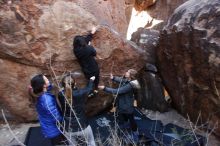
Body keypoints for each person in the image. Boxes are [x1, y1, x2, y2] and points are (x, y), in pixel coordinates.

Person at [98, 69, 140, 143]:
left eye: (128, 72)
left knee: (131, 119)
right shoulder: (127, 80)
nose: (126, 72)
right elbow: (122, 80)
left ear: (131, 75)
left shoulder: (130, 85)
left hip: (127, 105)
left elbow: (117, 91)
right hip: (123, 103)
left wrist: (104, 88)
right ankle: (126, 125)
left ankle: (135, 135)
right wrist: (113, 78)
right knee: (124, 115)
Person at [58, 73, 96, 146]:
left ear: (63, 85)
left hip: (68, 127)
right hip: (82, 125)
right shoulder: (80, 93)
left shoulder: (60, 95)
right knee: (91, 142)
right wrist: (91, 80)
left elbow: (67, 92)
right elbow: (89, 89)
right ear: (75, 83)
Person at [30, 74, 67, 145]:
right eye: (46, 80)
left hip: (48, 124)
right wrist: (64, 120)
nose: (48, 80)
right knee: (58, 143)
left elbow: (48, 88)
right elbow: (55, 116)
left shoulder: (39, 93)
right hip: (54, 129)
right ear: (43, 85)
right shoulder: (46, 100)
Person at [73, 27, 100, 96]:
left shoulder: (75, 50)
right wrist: (89, 46)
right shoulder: (88, 48)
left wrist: (91, 33)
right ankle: (95, 91)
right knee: (96, 80)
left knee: (90, 81)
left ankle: (91, 91)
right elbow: (94, 53)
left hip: (86, 70)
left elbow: (85, 41)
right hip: (94, 68)